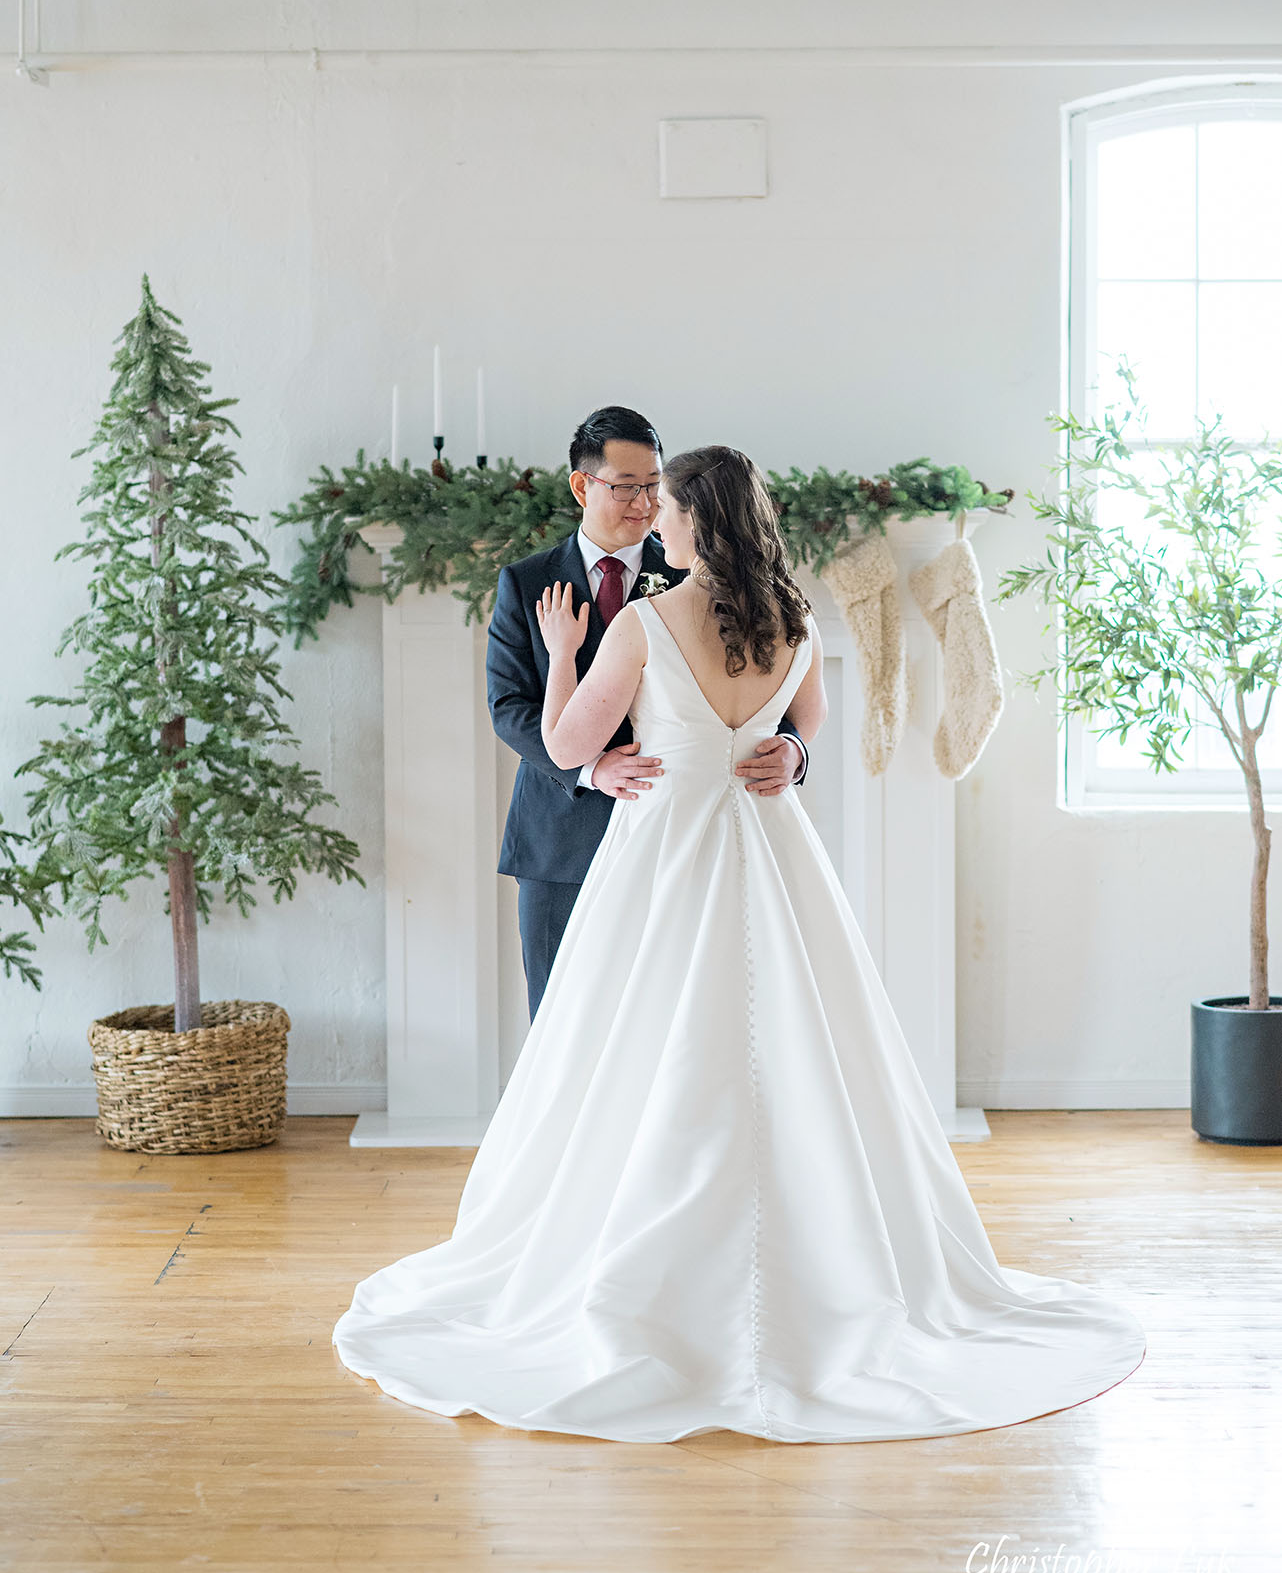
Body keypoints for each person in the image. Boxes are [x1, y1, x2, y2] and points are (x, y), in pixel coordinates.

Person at [333, 446, 1145, 1444]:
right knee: (792, 1042)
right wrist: (790, 751)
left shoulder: (639, 622)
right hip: (767, 849)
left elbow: (564, 749)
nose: (652, 521)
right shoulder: (794, 619)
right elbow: (811, 720)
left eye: (665, 507)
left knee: (643, 1046)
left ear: (696, 521)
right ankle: (826, 1267)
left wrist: (557, 656)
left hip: (663, 855)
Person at [485, 405, 808, 1021]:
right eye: (626, 487)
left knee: (668, 1025)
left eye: (654, 488)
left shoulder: (694, 568)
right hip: (562, 838)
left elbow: (773, 687)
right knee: (564, 1024)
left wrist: (793, 748)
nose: (646, 506)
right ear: (583, 486)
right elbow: (508, 707)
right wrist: (590, 769)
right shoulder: (526, 583)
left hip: (678, 837)